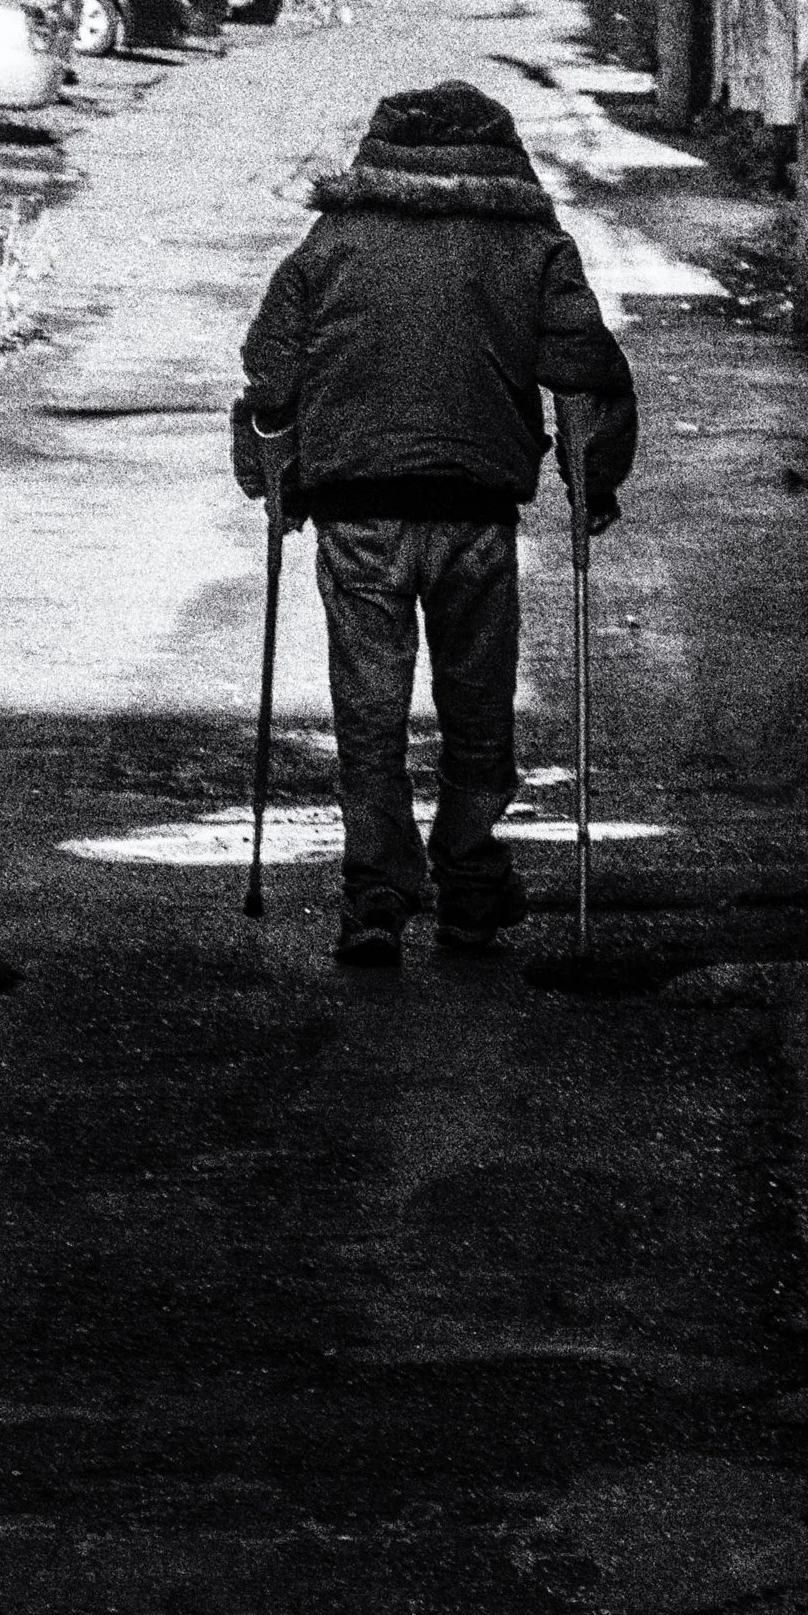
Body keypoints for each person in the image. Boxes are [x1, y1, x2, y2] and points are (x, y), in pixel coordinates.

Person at [232, 81, 637, 966]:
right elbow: (584, 371)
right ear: (503, 151)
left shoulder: (332, 239)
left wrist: (271, 477)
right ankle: (471, 888)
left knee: (369, 712)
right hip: (473, 513)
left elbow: (270, 372)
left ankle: (375, 899)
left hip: (359, 513)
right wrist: (592, 479)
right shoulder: (531, 242)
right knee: (478, 709)